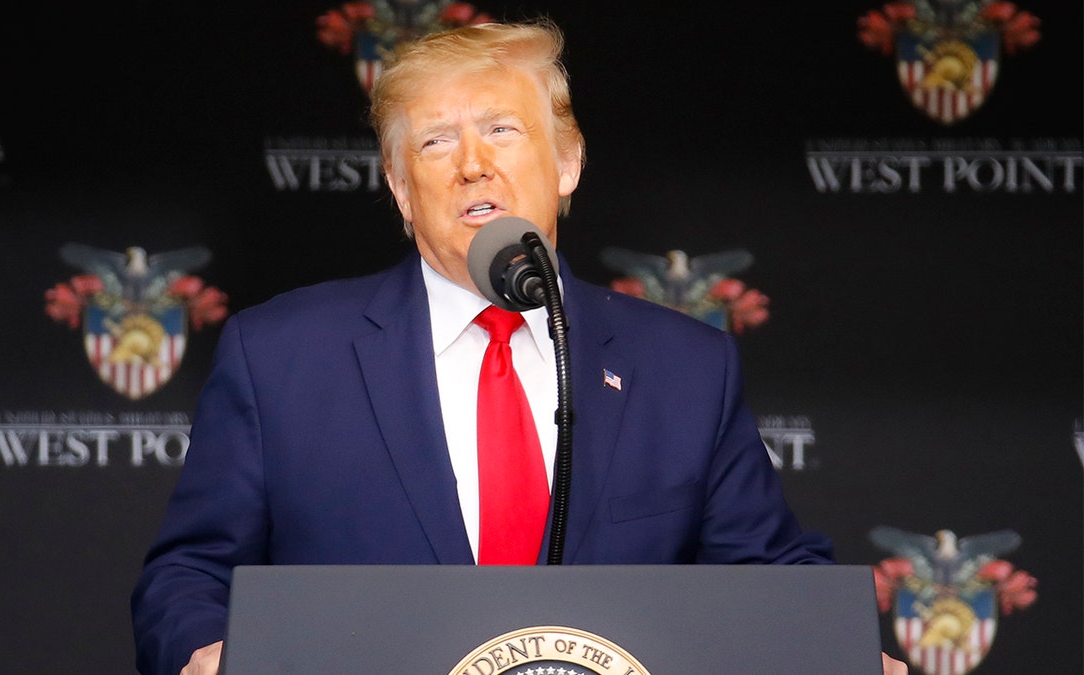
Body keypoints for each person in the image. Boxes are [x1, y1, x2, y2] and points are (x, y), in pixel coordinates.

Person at [132, 21, 905, 675]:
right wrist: (203, 649)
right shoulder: (281, 357)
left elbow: (768, 577)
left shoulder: (684, 368)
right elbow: (188, 574)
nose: (473, 161)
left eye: (502, 128)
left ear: (566, 162)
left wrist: (839, 651)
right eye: (436, 141)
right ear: (402, 191)